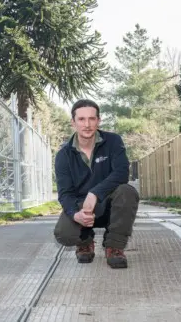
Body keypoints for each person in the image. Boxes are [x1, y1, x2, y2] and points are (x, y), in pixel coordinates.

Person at [53, 99, 139, 269]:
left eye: (92, 119)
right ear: (73, 122)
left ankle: (114, 246)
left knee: (127, 191)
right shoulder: (64, 155)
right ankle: (85, 241)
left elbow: (122, 173)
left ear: (98, 121)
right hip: (82, 208)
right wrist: (75, 214)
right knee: (63, 235)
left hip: (110, 205)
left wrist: (95, 193)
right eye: (82, 119)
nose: (87, 124)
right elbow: (65, 194)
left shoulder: (113, 141)